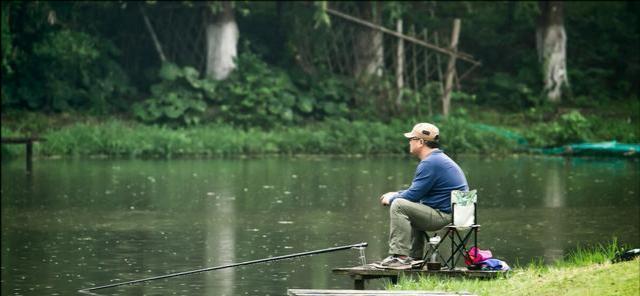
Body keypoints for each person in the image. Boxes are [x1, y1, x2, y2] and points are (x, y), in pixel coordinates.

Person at [378, 122, 469, 268]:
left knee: (399, 206)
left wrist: (393, 197)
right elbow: (418, 192)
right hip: (454, 214)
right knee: (410, 205)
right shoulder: (437, 159)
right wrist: (397, 193)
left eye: (411, 139)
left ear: (421, 142)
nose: (409, 142)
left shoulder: (430, 163)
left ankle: (400, 257)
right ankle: (414, 257)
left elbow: (412, 195)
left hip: (444, 216)